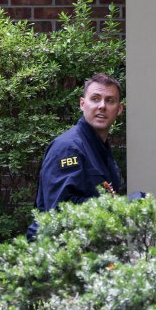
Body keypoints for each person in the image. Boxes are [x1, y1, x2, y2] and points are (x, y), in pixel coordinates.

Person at [26, 73, 125, 239]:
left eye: (110, 100)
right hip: (60, 250)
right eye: (95, 99)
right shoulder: (68, 148)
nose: (102, 106)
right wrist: (120, 206)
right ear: (82, 104)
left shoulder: (100, 149)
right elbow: (59, 210)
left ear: (119, 109)